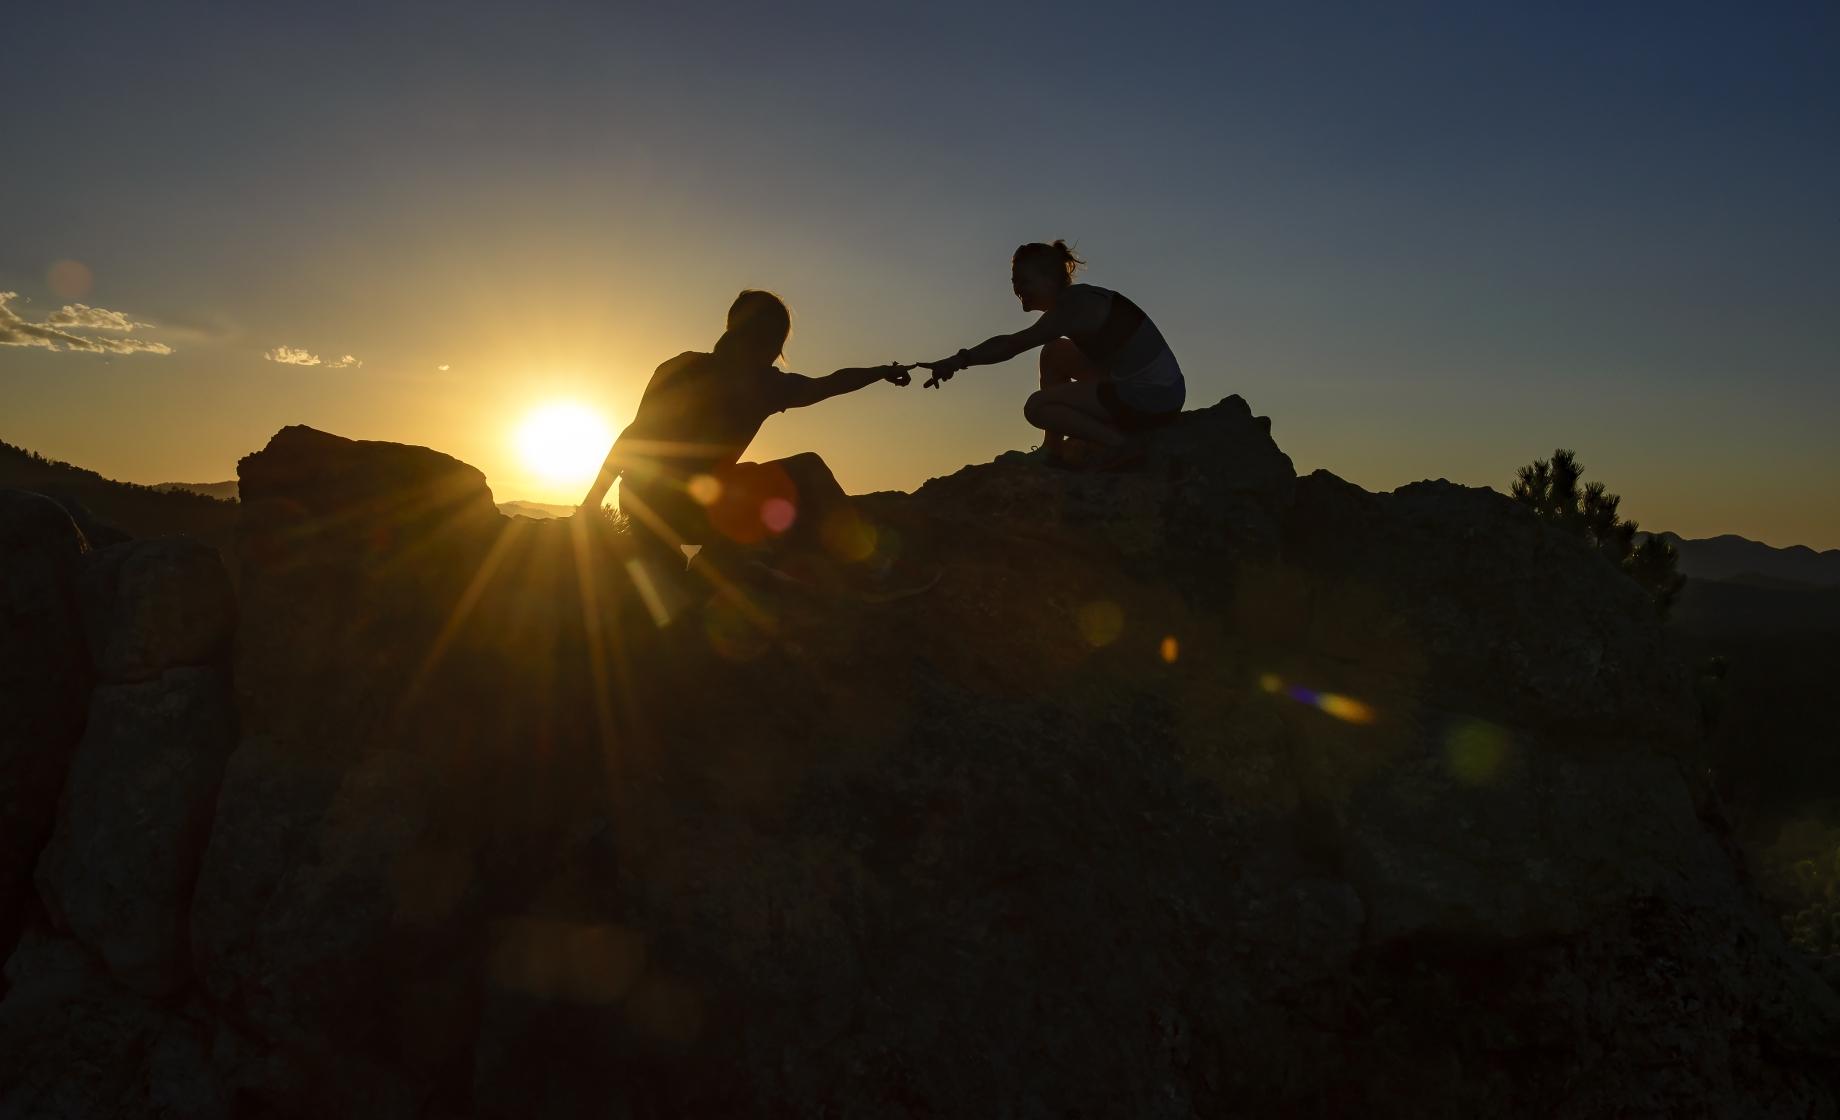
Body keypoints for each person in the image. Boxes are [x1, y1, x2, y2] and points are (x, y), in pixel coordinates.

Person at [577, 289, 909, 572]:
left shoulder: (678, 366)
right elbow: (830, 383)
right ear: (772, 343)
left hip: (642, 513)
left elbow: (632, 438)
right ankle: (868, 570)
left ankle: (719, 560)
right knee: (807, 469)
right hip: (695, 514)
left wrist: (591, 506)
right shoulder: (764, 384)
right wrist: (880, 372)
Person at [919, 241, 1185, 466]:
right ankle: (1053, 450)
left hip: (1152, 399)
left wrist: (960, 360)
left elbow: (1011, 344)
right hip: (1154, 389)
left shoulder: (1074, 307)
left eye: (1023, 281)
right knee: (1054, 351)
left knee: (1038, 406)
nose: (1017, 289)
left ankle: (1120, 446)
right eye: (1014, 282)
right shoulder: (1077, 301)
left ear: (1050, 277)